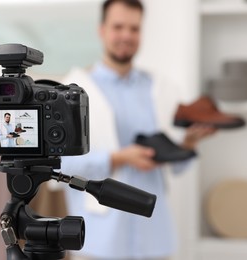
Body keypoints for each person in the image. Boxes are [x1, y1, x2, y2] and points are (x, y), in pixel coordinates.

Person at [60, 0, 216, 259]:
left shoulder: (162, 88)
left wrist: (188, 143)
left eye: (134, 28)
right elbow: (61, 164)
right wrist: (118, 157)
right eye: (118, 26)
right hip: (99, 239)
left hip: (155, 236)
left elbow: (177, 167)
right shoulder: (72, 91)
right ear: (102, 30)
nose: (126, 36)